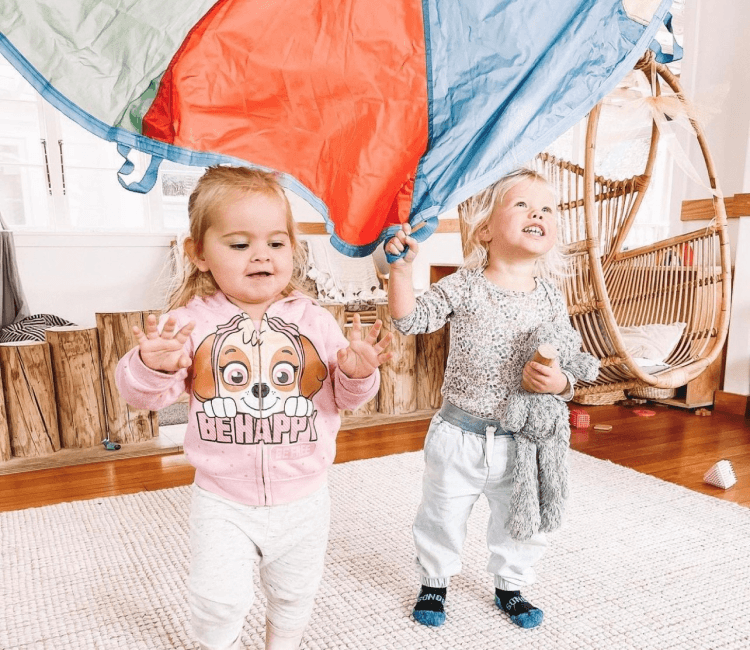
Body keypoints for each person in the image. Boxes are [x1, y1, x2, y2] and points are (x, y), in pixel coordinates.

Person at [116, 165, 393, 650]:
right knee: (217, 599)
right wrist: (152, 365)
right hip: (222, 499)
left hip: (305, 497)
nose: (261, 255)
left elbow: (342, 400)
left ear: (293, 248)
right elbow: (143, 397)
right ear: (199, 253)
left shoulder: (316, 321)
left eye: (276, 243)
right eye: (240, 244)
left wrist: (357, 371)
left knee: (294, 593)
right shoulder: (186, 325)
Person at [385, 167, 578, 630]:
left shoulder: (552, 299)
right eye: (522, 204)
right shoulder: (464, 285)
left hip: (522, 441)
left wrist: (561, 384)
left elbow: (569, 359)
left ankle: (510, 585)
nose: (538, 213)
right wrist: (402, 271)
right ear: (486, 229)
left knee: (519, 520)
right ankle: (434, 580)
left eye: (547, 209)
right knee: (441, 514)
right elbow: (411, 319)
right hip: (459, 434)